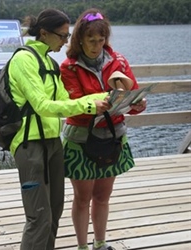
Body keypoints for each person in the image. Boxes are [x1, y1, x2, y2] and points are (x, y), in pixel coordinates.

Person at [7, 8, 112, 250]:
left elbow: (67, 100)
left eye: (68, 36)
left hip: (53, 142)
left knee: (54, 212)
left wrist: (108, 98)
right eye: (63, 36)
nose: (66, 41)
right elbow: (42, 105)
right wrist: (88, 104)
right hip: (29, 144)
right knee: (38, 217)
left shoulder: (49, 63)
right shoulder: (24, 60)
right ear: (44, 33)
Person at [60, 8, 147, 250]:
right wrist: (103, 103)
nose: (96, 46)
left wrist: (137, 104)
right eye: (91, 40)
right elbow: (74, 106)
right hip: (81, 140)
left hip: (113, 137)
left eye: (100, 40)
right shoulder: (69, 67)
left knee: (102, 197)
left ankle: (100, 244)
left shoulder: (118, 61)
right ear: (79, 39)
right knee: (82, 198)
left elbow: (131, 97)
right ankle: (82, 247)